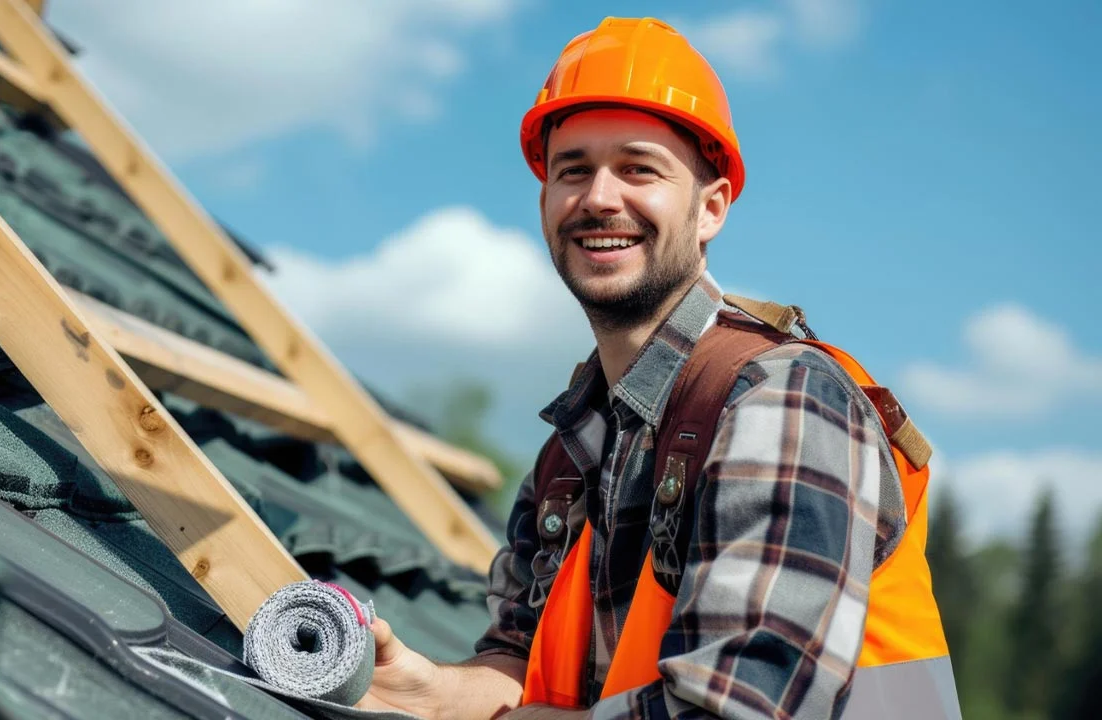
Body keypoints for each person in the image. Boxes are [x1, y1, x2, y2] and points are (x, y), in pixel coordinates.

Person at [356, 16, 958, 720]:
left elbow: (737, 711)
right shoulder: (569, 451)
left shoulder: (781, 402)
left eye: (638, 168)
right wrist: (432, 695)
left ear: (711, 209)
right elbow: (518, 664)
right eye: (571, 170)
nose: (599, 198)